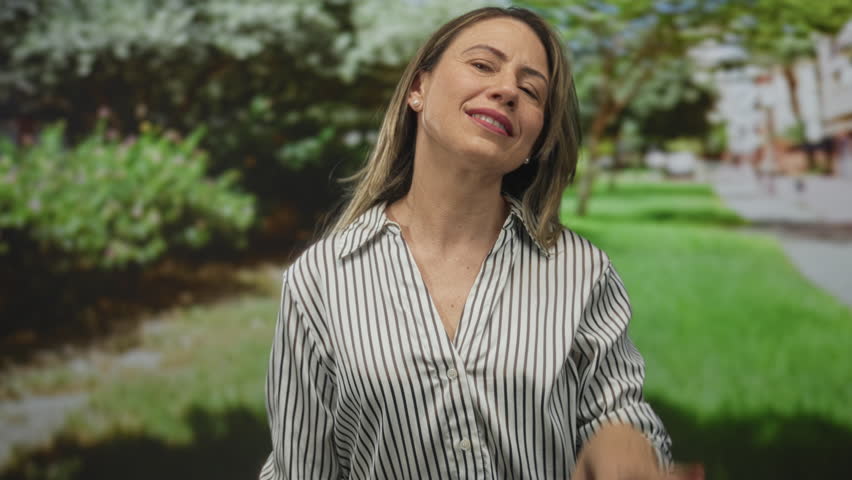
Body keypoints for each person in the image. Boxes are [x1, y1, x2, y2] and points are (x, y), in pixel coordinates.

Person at [260, 6, 701, 480]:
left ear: (535, 139)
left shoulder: (582, 271)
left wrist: (622, 441)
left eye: (531, 90)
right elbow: (301, 468)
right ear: (418, 89)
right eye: (482, 65)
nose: (507, 89)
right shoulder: (320, 279)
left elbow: (619, 414)